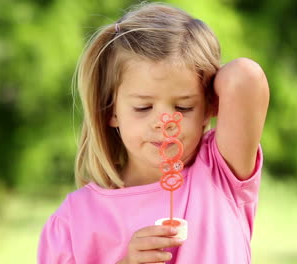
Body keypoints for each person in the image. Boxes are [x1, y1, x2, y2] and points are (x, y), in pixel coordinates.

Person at [37, 2, 269, 263]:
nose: (163, 123)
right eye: (143, 107)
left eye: (183, 106)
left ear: (209, 107)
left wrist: (204, 77)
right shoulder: (74, 219)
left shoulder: (219, 171)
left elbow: (245, 77)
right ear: (111, 110)